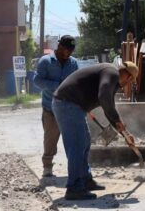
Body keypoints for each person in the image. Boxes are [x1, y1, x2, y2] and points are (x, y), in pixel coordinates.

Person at [51, 61, 139, 200]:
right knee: (77, 146)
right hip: (67, 104)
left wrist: (125, 134)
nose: (127, 84)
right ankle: (74, 188)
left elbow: (108, 109)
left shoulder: (111, 80)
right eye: (130, 81)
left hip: (73, 106)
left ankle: (85, 180)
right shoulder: (112, 72)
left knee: (85, 142)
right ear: (128, 77)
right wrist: (117, 120)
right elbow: (104, 97)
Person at [33, 35, 79, 178]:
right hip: (50, 109)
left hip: (68, 109)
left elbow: (77, 82)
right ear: (59, 46)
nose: (68, 53)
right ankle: (47, 166)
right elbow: (37, 80)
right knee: (51, 139)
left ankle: (76, 168)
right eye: (66, 50)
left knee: (73, 139)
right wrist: (57, 86)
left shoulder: (73, 63)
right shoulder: (46, 61)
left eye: (71, 51)